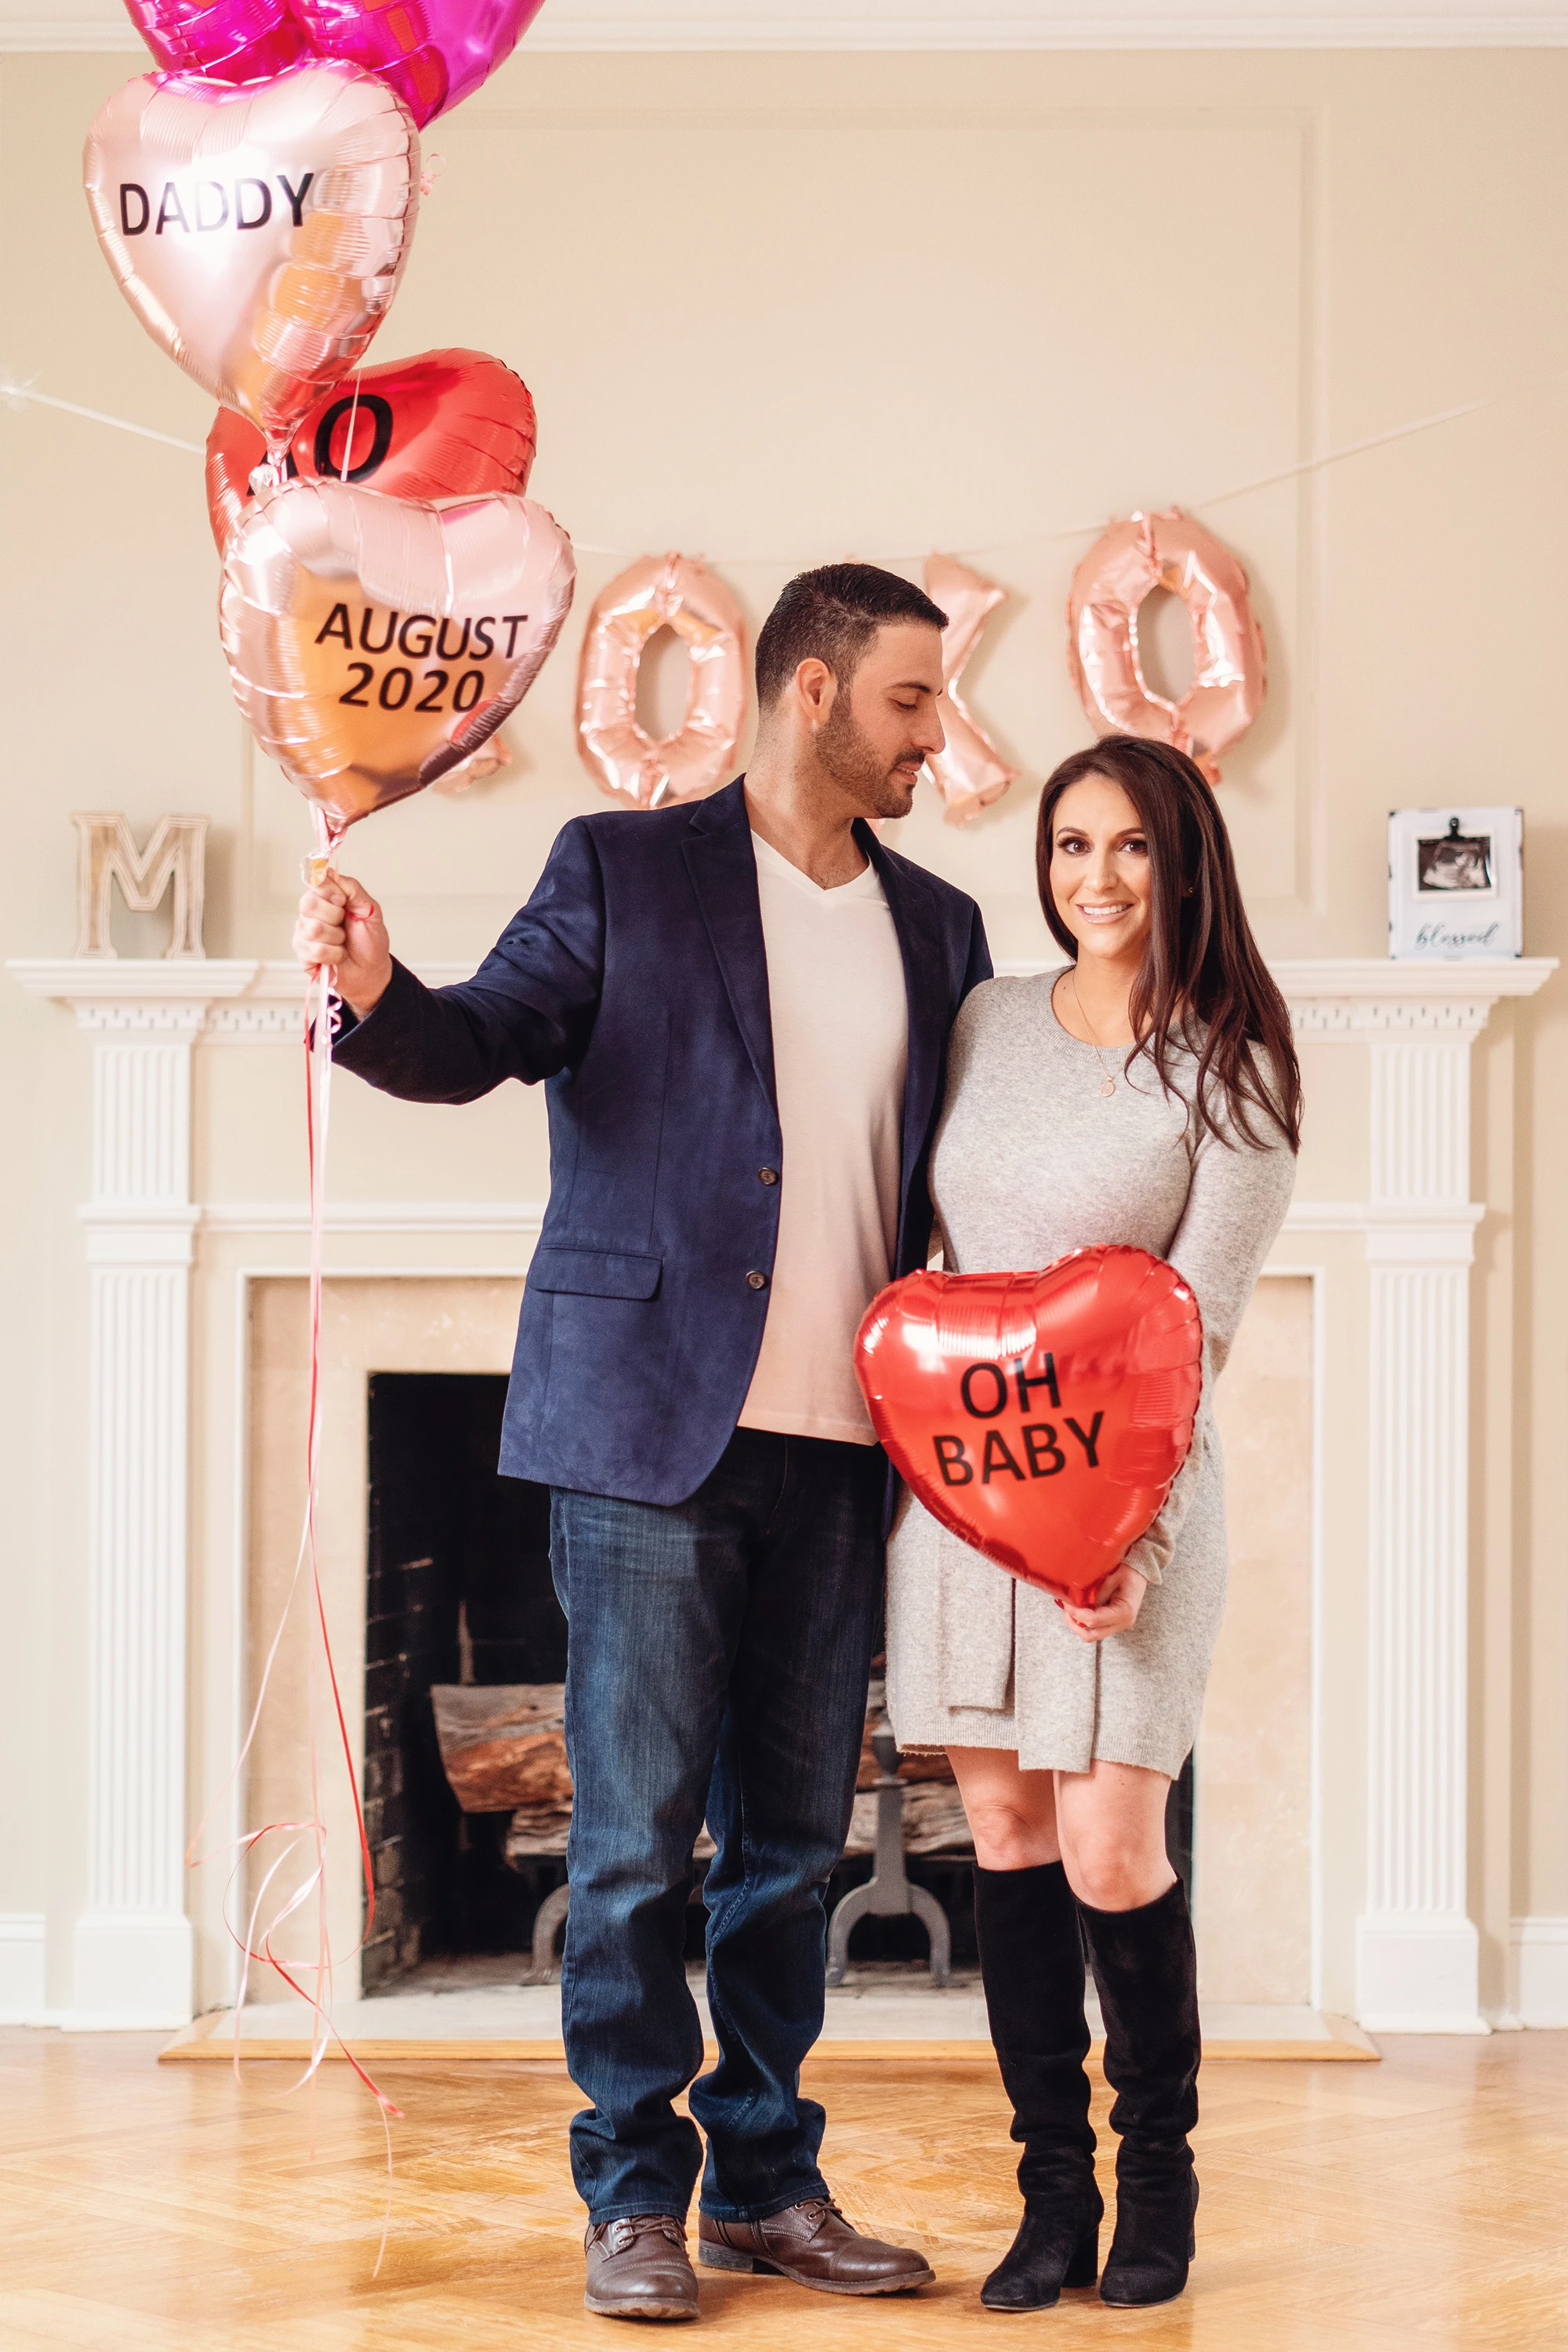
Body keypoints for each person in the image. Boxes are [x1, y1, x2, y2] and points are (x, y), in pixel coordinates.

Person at [293, 564, 991, 2323]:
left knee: (785, 1851)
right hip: (643, 1440)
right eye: (911, 702)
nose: (935, 737)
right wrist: (377, 993)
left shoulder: (942, 925)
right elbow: (478, 1043)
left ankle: (766, 2182)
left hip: (846, 1450)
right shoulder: (620, 868)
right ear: (813, 692)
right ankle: (631, 2198)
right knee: (627, 1848)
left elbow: (969, 1180)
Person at [885, 734, 1299, 2313]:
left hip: (1128, 1514)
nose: (1095, 879)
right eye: (1068, 846)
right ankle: (1047, 2197)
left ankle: (1159, 2183)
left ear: (1182, 860)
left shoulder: (1232, 1067)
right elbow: (933, 1251)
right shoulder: (986, 1018)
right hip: (966, 1497)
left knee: (1114, 1851)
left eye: (1129, 847)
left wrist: (1133, 1542)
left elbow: (1198, 1335)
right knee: (1001, 1835)